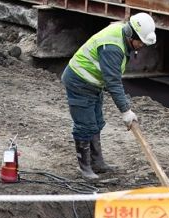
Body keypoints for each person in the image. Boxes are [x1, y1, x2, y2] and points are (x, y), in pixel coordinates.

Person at [61, 12, 157, 180]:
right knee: (85, 125)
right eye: (140, 41)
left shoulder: (122, 35)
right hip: (79, 81)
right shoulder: (112, 48)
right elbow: (113, 82)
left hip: (93, 84)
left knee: (96, 123)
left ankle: (97, 163)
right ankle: (85, 169)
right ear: (131, 35)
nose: (141, 45)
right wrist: (125, 110)